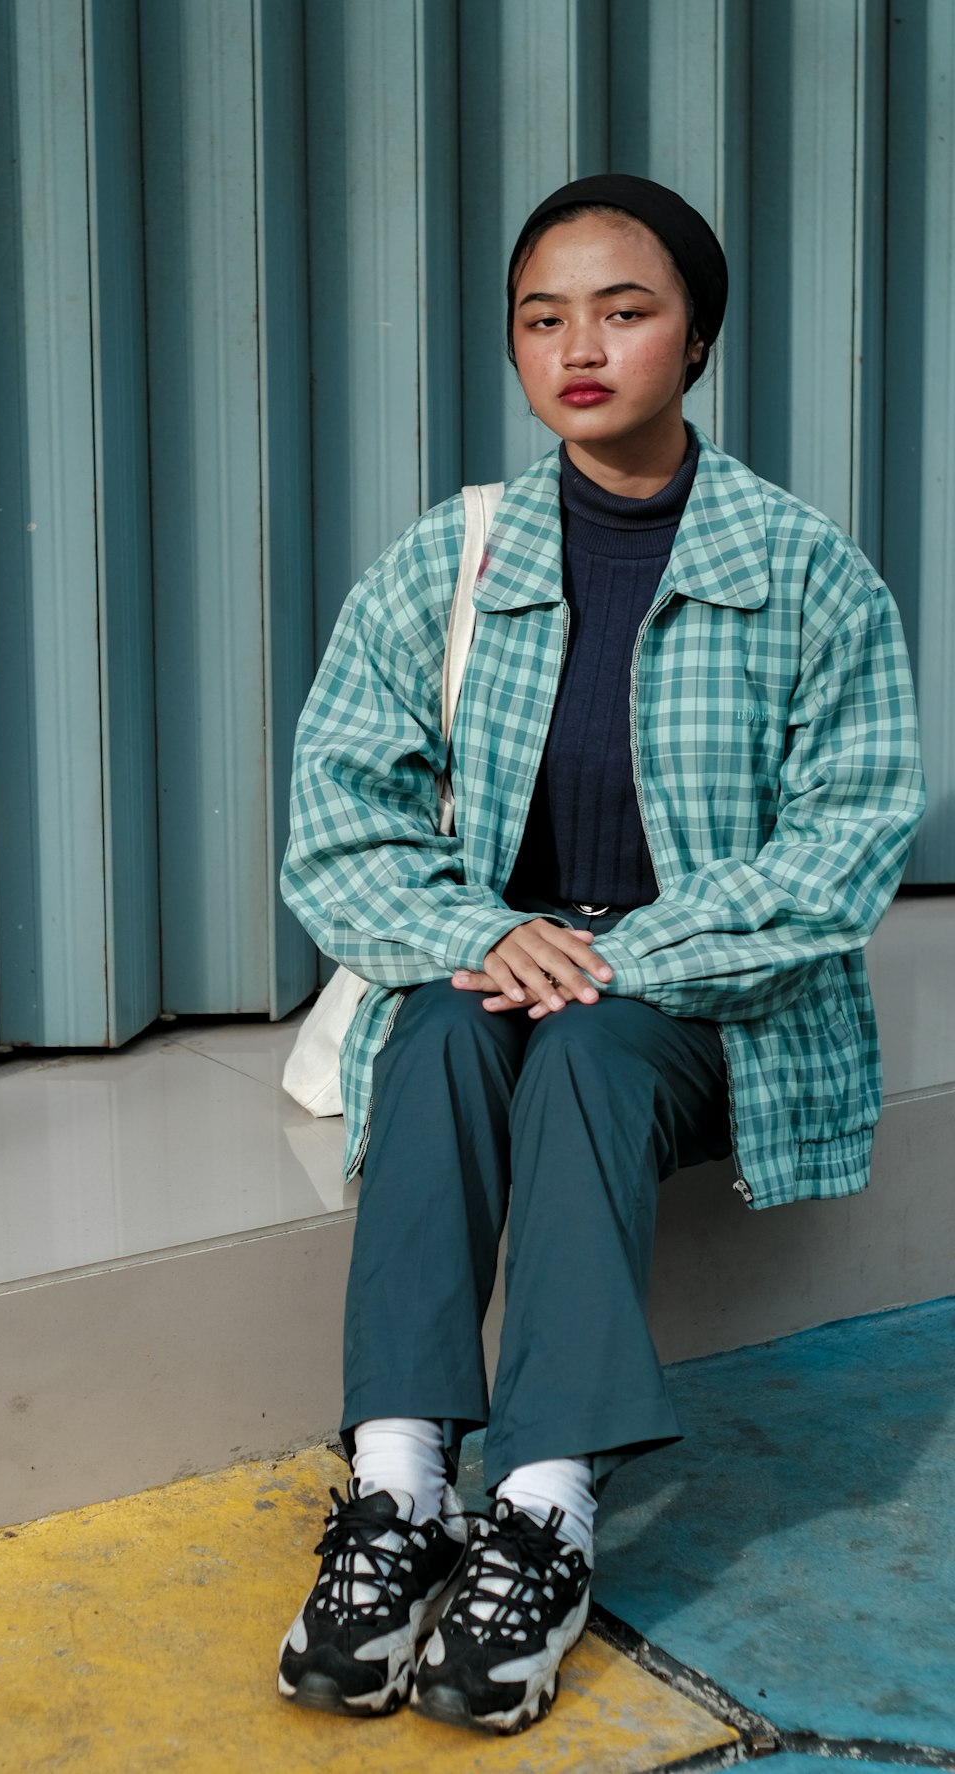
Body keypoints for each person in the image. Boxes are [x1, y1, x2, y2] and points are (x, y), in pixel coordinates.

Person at [276, 174, 925, 1734]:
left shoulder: (807, 571)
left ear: (694, 336)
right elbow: (336, 817)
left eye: (624, 311)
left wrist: (617, 961)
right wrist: (486, 931)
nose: (579, 346)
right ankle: (399, 1491)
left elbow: (846, 843)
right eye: (542, 317)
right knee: (436, 1033)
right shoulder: (455, 558)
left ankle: (548, 1512)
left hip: (700, 1000)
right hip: (492, 964)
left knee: (573, 1046)